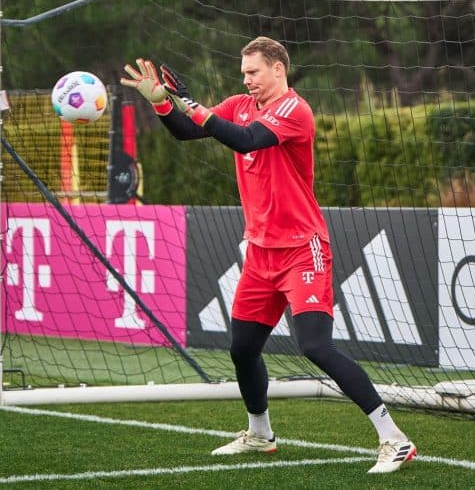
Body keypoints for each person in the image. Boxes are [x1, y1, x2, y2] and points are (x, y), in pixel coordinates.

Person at [120, 36, 416, 474]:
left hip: (303, 248)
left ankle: (394, 439)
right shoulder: (240, 103)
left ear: (279, 69)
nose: (247, 80)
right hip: (261, 253)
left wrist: (190, 101)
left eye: (254, 72)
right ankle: (260, 434)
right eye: (244, 73)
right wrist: (164, 104)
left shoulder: (295, 110)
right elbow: (188, 132)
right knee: (243, 348)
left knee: (315, 345)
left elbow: (246, 141)